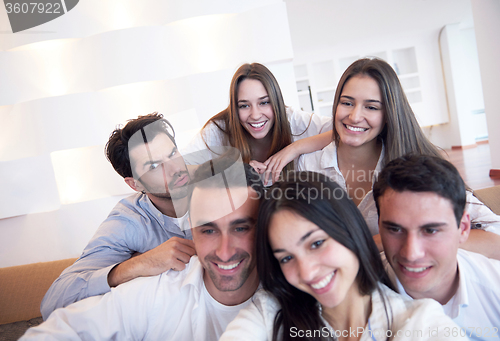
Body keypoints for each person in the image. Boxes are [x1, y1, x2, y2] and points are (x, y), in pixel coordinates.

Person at [22, 154, 264, 340]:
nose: (224, 250)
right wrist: (140, 264)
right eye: (208, 230)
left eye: (241, 228)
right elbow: (60, 324)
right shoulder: (157, 287)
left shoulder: (290, 288)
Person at [221, 171, 466, 341]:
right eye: (286, 258)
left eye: (316, 243)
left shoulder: (420, 324)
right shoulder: (270, 312)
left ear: (349, 230)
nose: (306, 271)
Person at [297, 57, 500, 243]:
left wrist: (374, 246)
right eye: (347, 103)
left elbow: (494, 229)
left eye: (372, 107)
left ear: (388, 114)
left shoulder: (415, 165)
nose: (355, 116)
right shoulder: (307, 166)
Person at [41, 113, 196, 319]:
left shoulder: (218, 182)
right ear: (135, 184)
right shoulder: (128, 221)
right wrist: (139, 264)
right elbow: (55, 301)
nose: (174, 168)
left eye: (173, 153)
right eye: (153, 166)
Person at [373, 154, 500, 341]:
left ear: (463, 228)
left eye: (430, 230)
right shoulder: (356, 297)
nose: (411, 253)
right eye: (394, 229)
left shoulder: (494, 285)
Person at [182, 62, 333, 180]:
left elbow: (342, 130)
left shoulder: (292, 119)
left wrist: (294, 149)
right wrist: (235, 170)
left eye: (264, 102)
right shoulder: (219, 129)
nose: (255, 115)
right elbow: (180, 168)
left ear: (276, 102)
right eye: (244, 105)